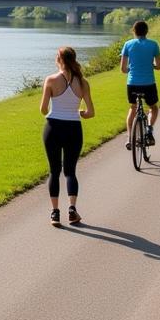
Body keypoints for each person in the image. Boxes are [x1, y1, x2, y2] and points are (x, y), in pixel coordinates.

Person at [40, 46, 95, 226]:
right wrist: (79, 112)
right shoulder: (83, 82)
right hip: (73, 128)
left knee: (54, 171)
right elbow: (90, 113)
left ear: (59, 59)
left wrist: (55, 109)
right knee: (70, 171)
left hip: (53, 127)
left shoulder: (50, 80)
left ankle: (55, 213)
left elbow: (43, 109)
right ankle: (72, 210)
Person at [121, 19, 160, 149]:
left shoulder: (127, 44)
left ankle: (129, 138)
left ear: (134, 31)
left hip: (132, 83)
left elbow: (123, 69)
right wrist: (152, 66)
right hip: (148, 83)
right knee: (153, 107)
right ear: (147, 31)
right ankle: (149, 129)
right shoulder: (154, 44)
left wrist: (130, 69)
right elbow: (159, 66)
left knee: (133, 108)